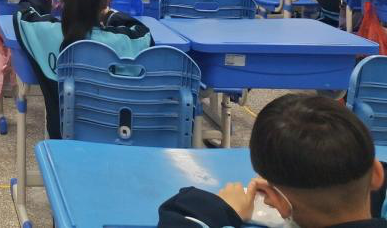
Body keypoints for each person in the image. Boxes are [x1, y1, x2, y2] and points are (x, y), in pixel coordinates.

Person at [157, 94, 387, 228]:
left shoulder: (274, 203)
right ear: (377, 174)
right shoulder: (376, 177)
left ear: (276, 201)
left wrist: (223, 208)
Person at [14, 0, 152, 139]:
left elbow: (23, 13)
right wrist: (111, 15)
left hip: (63, 142)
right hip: (119, 141)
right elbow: (142, 32)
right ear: (107, 0)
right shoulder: (123, 41)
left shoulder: (46, 33)